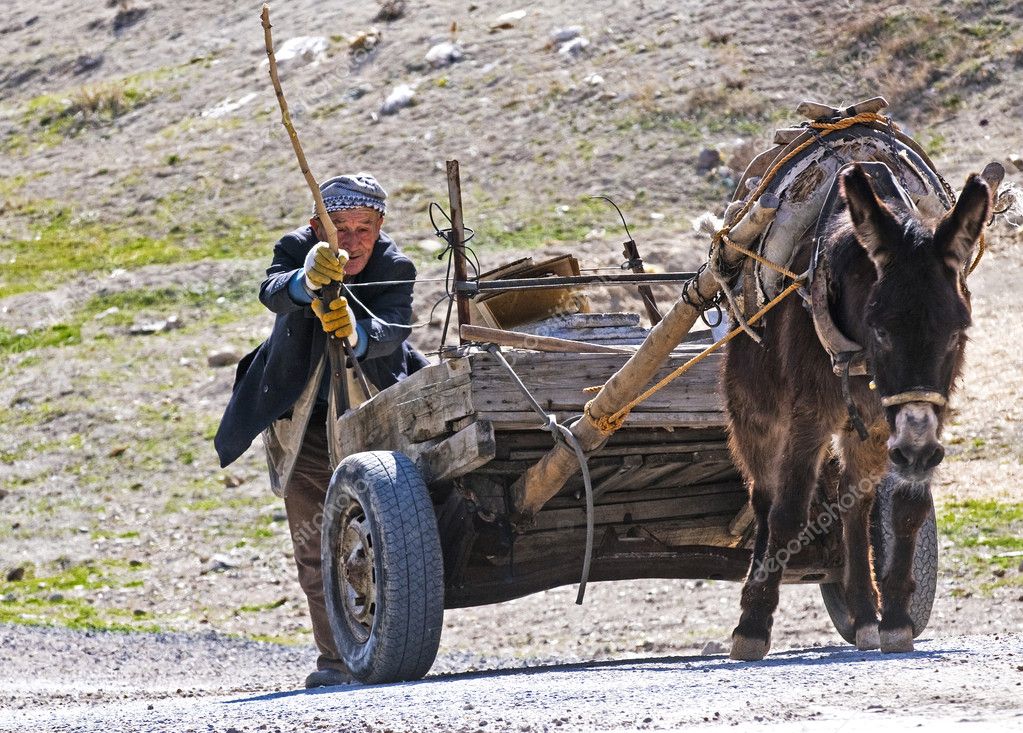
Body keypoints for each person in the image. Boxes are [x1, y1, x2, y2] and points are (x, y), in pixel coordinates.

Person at [214, 173, 428, 688]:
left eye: (365, 228)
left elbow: (393, 329)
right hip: (302, 425)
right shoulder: (297, 248)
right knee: (315, 545)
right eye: (340, 228)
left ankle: (381, 653)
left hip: (375, 422)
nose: (352, 241)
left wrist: (357, 333)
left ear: (380, 229)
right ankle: (334, 661)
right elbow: (272, 292)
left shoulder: (394, 265)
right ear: (317, 225)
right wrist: (304, 280)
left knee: (381, 541)